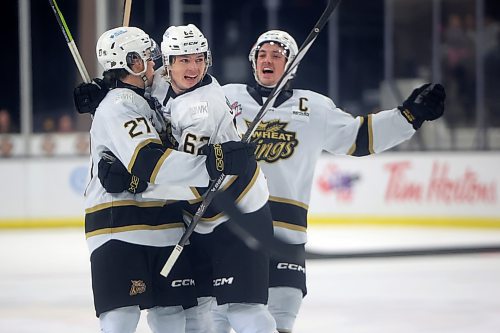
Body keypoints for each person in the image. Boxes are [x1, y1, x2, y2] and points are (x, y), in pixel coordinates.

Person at [213, 30, 446, 333]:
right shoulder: (225, 98)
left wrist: (409, 115)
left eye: (277, 55)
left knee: (280, 323)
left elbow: (359, 137)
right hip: (233, 233)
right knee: (216, 322)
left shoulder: (314, 109)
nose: (267, 60)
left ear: (291, 65)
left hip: (286, 236)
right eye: (262, 55)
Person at [84, 26, 255, 333]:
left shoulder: (147, 100)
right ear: (133, 63)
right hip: (119, 226)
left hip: (164, 225)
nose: (156, 67)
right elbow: (150, 162)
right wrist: (215, 163)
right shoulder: (117, 105)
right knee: (120, 318)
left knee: (173, 315)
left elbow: (145, 170)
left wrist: (103, 85)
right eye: (149, 60)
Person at [149, 23, 278, 333]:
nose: (193, 67)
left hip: (240, 216)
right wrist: (111, 86)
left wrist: (137, 182)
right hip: (206, 219)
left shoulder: (200, 109)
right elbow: (146, 82)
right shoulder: (162, 82)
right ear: (167, 64)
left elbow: (187, 175)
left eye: (199, 58)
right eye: (184, 60)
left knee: (244, 312)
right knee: (202, 312)